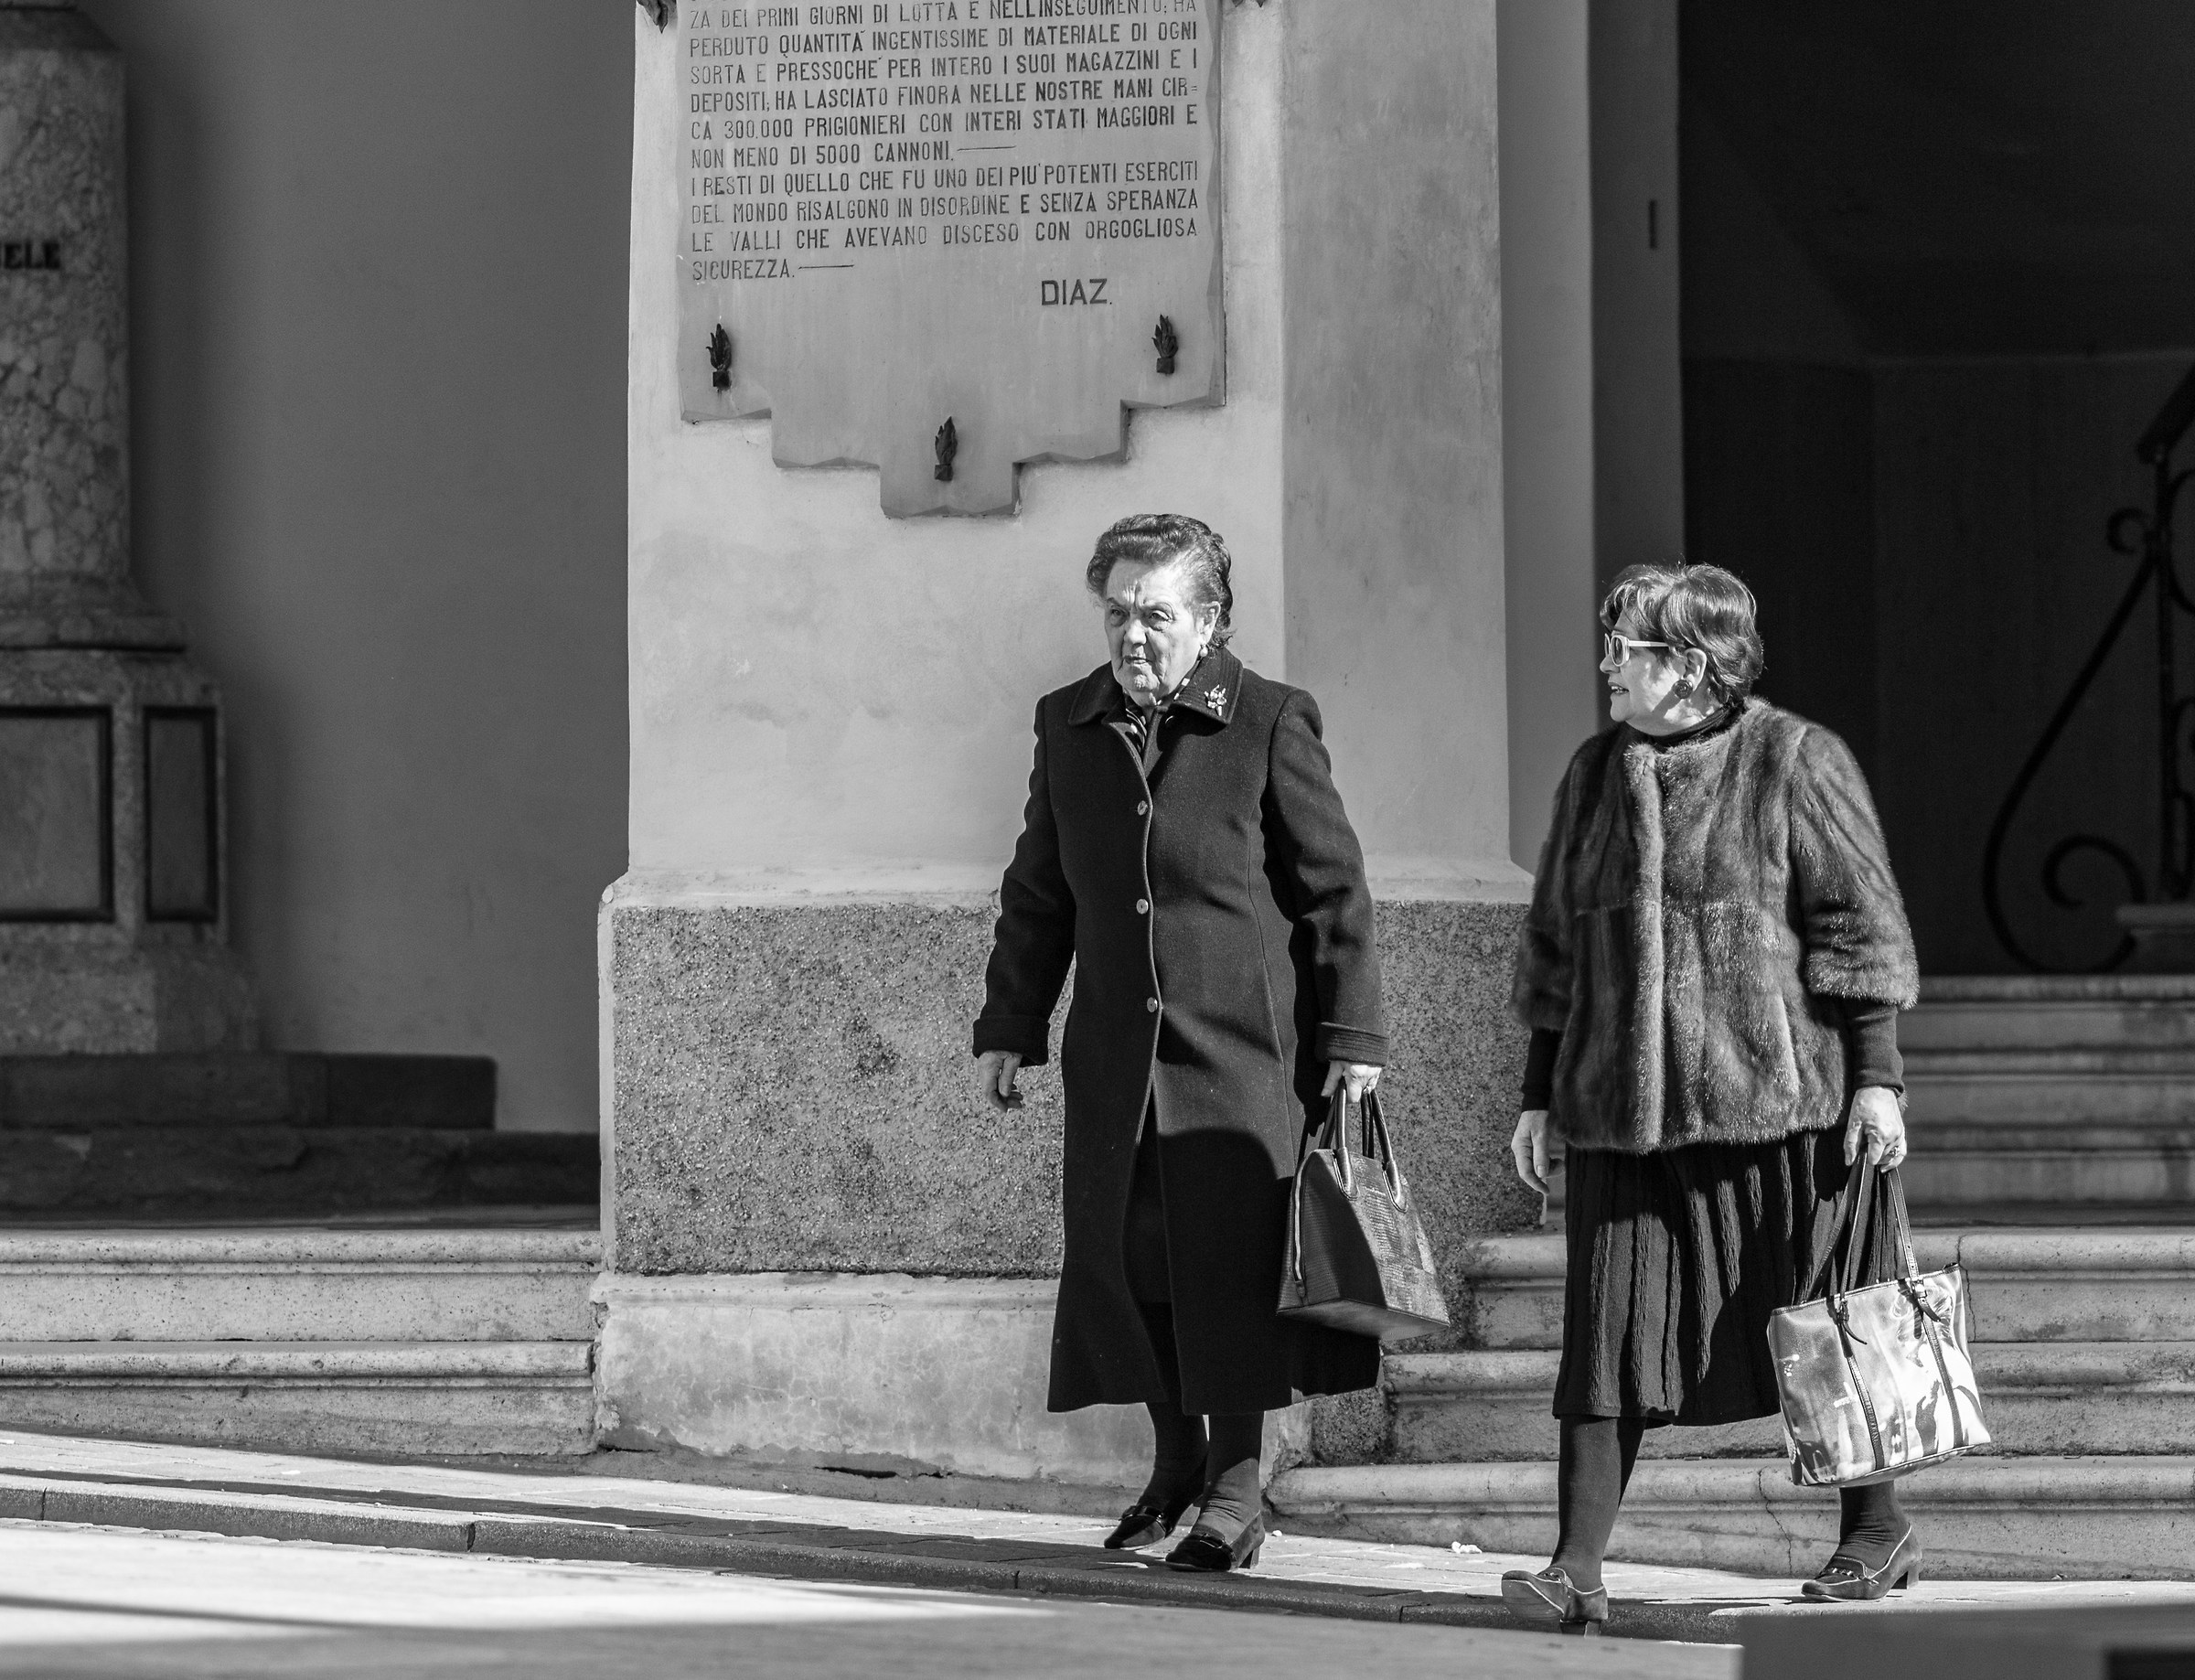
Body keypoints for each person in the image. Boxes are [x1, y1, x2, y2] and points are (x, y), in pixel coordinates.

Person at [1504, 561, 1922, 1630]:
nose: (1605, 665)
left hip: (1782, 1103)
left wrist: (1877, 1081)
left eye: (1624, 649)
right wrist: (1539, 1093)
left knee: (1833, 1317)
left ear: (1689, 666)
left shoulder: (1794, 759)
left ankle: (1875, 1530)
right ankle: (1575, 1567)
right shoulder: (1597, 772)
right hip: (1624, 1114)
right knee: (1606, 1333)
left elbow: (1857, 929)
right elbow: (1554, 942)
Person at [973, 513, 1387, 1575]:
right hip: (1117, 1057)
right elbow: (1040, 891)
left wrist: (1353, 1035)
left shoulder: (1267, 722)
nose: (1133, 635)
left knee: (1230, 1272)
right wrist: (1012, 1022)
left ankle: (1238, 1489)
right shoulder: (1069, 725)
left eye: (1156, 614)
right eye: (1117, 612)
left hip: (1240, 1056)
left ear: (1209, 619)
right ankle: (1172, 1461)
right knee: (1127, 1265)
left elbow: (1333, 893)